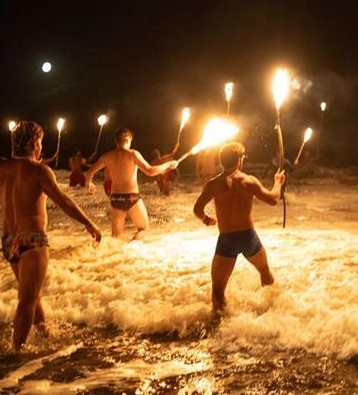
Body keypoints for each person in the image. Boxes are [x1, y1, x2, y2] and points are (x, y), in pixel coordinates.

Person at [0, 112, 102, 350]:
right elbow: (64, 201)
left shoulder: (1, 166)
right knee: (26, 301)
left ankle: (44, 332)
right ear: (33, 144)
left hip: (9, 243)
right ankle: (15, 353)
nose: (41, 147)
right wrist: (89, 223)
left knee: (32, 295)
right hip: (32, 240)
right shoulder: (38, 171)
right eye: (39, 142)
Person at [193, 142, 285, 312]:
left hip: (226, 240)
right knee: (264, 272)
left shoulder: (213, 184)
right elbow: (273, 199)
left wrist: (206, 219)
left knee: (218, 290)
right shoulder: (248, 181)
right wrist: (278, 182)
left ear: (221, 161)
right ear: (239, 160)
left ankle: (220, 325)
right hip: (248, 237)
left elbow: (197, 209)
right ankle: (273, 311)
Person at [85, 128, 179, 240]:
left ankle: (115, 255)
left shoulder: (107, 156)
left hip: (116, 199)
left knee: (115, 237)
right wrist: (168, 164)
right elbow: (150, 171)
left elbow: (90, 172)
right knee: (143, 229)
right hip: (132, 197)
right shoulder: (133, 154)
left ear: (116, 141)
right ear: (128, 140)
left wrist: (89, 183)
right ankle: (131, 248)